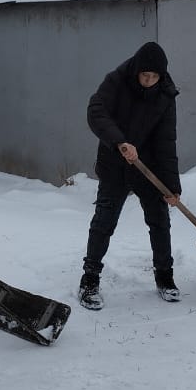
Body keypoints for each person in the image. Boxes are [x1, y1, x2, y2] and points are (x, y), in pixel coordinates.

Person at [79, 41, 182, 310]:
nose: (149, 81)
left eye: (155, 77)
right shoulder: (116, 81)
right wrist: (120, 142)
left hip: (148, 167)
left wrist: (171, 185)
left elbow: (166, 142)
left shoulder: (165, 95)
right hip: (115, 161)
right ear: (136, 70)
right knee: (104, 220)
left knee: (160, 221)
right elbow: (96, 112)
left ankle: (165, 277)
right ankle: (89, 279)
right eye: (145, 75)